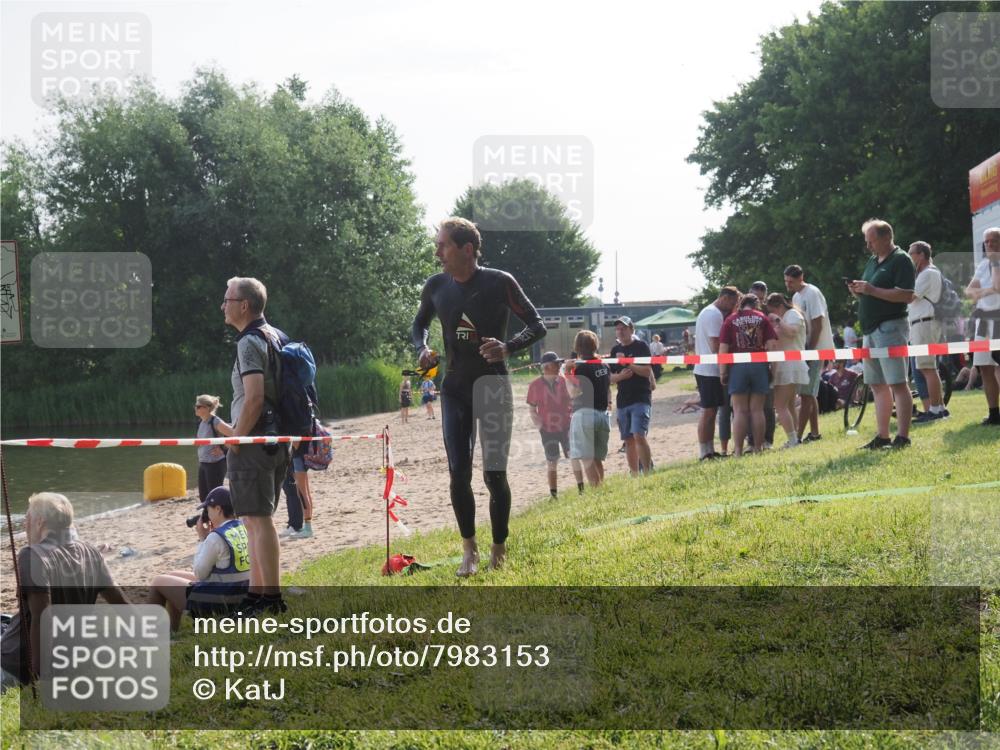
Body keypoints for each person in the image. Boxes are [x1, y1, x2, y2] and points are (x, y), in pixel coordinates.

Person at [411, 217, 545, 575]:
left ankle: (498, 549)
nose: (437, 251)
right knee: (458, 474)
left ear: (466, 249)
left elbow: (537, 324)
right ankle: (468, 550)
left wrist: (508, 346)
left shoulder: (500, 282)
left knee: (494, 476)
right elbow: (419, 323)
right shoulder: (436, 285)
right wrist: (422, 347)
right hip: (454, 388)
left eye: (443, 245)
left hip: (493, 387)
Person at [1, 493, 127, 689]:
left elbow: (43, 619)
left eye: (27, 519)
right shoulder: (91, 552)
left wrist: (42, 677)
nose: (25, 526)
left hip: (17, 664)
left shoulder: (32, 555)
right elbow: (121, 603)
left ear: (40, 522)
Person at [221, 276, 290, 614]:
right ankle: (256, 594)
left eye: (227, 300)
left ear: (243, 305)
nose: (223, 306)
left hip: (254, 442)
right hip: (277, 441)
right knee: (254, 519)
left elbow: (254, 399)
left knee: (259, 521)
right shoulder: (276, 335)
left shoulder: (249, 341)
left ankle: (271, 598)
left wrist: (235, 438)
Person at [848, 219, 915, 449]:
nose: (868, 246)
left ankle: (903, 436)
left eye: (872, 241)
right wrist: (860, 291)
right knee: (877, 385)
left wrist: (871, 289)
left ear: (887, 237)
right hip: (870, 329)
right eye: (867, 242)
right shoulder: (872, 261)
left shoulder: (901, 260)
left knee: (897, 382)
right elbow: (872, 294)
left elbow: (906, 295)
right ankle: (883, 435)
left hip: (891, 327)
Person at [148, 487, 250, 631]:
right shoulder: (242, 527)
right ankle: (172, 632)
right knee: (171, 576)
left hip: (224, 601)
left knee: (158, 581)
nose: (207, 514)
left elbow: (199, 574)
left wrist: (203, 539)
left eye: (208, 509)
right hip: (243, 594)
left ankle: (151, 635)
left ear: (218, 509)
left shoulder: (216, 537)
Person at [718, 294, 778, 456]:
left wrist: (722, 371)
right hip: (759, 364)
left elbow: (723, 348)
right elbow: (772, 345)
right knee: (757, 410)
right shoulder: (762, 318)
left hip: (738, 365)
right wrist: (773, 368)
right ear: (756, 304)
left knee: (739, 411)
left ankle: (738, 451)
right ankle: (758, 448)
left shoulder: (730, 320)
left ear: (740, 304)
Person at [784, 265, 835, 443]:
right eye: (786, 281)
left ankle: (798, 436)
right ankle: (814, 433)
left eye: (790, 281)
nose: (788, 284)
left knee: (806, 393)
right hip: (804, 349)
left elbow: (818, 323)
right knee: (809, 392)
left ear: (800, 277)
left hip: (816, 349)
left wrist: (810, 351)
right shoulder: (796, 296)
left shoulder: (812, 293)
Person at [526, 351, 583, 497]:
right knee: (552, 462)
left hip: (566, 426)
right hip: (547, 430)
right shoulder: (535, 385)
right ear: (547, 367)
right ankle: (553, 495)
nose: (559, 366)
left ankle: (581, 490)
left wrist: (568, 374)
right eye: (556, 364)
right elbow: (532, 409)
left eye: (559, 363)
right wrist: (540, 427)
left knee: (574, 456)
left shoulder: (564, 381)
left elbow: (576, 394)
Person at [693, 286, 740, 460]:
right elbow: (716, 346)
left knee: (710, 411)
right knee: (708, 412)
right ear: (725, 298)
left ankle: (709, 450)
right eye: (733, 303)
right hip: (709, 370)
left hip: (705, 368)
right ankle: (705, 452)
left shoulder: (708, 312)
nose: (733, 307)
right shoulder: (714, 315)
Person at [907, 241, 948, 423]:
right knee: (929, 367)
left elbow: (910, 297)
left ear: (921, 255)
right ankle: (939, 408)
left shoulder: (927, 273)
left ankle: (935, 410)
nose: (910, 257)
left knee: (927, 367)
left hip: (924, 322)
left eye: (912, 254)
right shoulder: (929, 272)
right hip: (924, 322)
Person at [609, 316, 654, 475]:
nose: (620, 331)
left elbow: (647, 372)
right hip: (623, 400)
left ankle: (647, 472)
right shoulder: (615, 350)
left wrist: (628, 363)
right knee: (628, 440)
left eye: (624, 328)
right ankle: (634, 475)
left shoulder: (641, 346)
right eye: (618, 329)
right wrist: (620, 377)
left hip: (641, 397)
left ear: (631, 330)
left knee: (638, 435)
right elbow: (610, 378)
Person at [566, 330, 612, 487]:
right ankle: (602, 488)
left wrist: (566, 372)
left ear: (577, 347)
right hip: (603, 415)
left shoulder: (581, 368)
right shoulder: (604, 365)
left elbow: (574, 392)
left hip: (585, 414)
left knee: (586, 457)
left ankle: (597, 491)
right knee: (597, 458)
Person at [764, 293, 810, 448]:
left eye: (773, 311)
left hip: (789, 365)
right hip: (786, 364)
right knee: (789, 405)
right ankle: (795, 438)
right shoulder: (788, 316)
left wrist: (777, 320)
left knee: (780, 405)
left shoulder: (793, 315)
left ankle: (793, 440)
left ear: (779, 307)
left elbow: (791, 332)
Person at [966, 226, 1000, 425]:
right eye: (986, 241)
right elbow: (969, 292)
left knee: (998, 366)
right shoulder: (982, 264)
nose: (989, 244)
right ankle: (994, 413)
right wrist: (988, 291)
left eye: (993, 240)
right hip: (982, 321)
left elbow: (999, 285)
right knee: (985, 367)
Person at [749, 281, 776, 449]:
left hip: (765, 361)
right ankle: (751, 441)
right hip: (746, 362)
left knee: (767, 405)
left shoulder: (768, 313)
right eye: (755, 297)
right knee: (748, 406)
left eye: (761, 298)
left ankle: (768, 440)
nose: (758, 301)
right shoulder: (740, 312)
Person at [194, 394, 232, 503]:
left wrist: (223, 449)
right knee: (204, 497)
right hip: (203, 463)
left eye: (198, 406)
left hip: (215, 463)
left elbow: (234, 434)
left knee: (214, 497)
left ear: (207, 408)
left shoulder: (215, 421)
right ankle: (206, 517)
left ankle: (218, 519)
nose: (195, 408)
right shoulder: (200, 422)